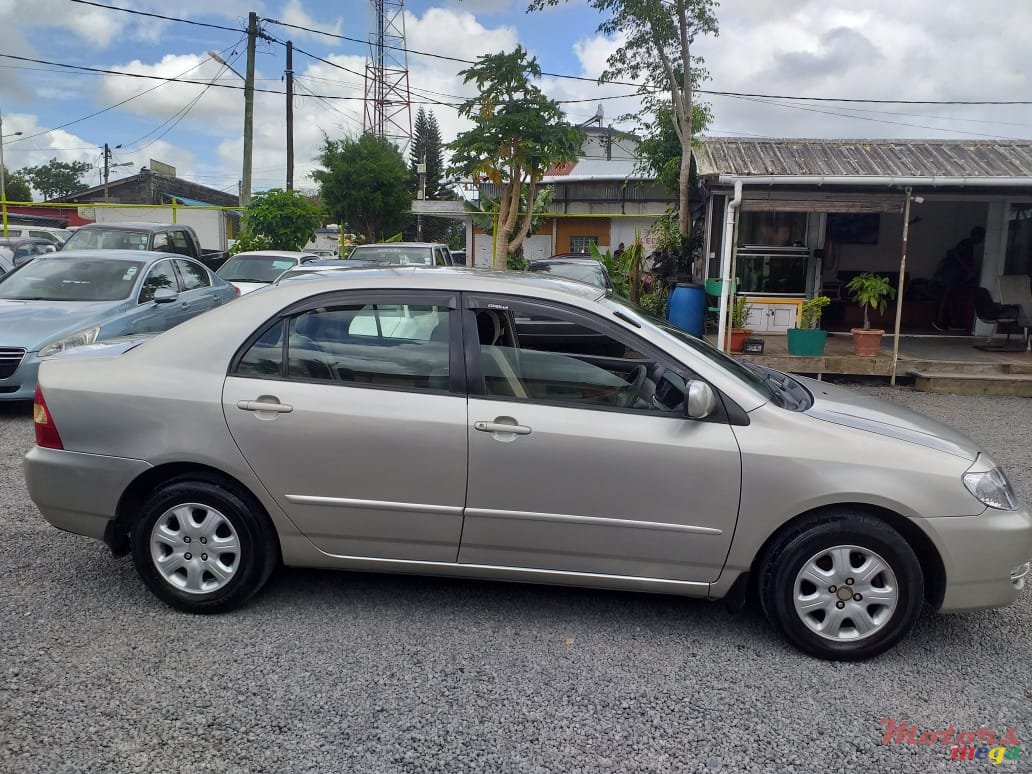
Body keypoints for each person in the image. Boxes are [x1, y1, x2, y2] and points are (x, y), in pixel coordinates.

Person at [933, 226, 985, 331]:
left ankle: (950, 322)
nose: (981, 240)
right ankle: (940, 321)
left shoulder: (969, 245)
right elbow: (955, 254)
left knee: (952, 297)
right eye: (981, 237)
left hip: (956, 274)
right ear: (976, 236)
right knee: (947, 296)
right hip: (952, 273)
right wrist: (967, 269)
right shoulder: (966, 243)